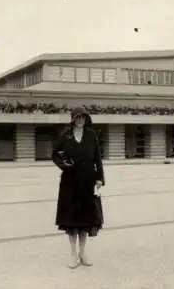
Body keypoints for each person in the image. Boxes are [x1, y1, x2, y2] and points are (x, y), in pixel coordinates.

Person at [52, 107, 105, 269]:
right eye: (77, 117)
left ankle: (83, 253)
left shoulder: (91, 135)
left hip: (87, 181)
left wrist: (99, 178)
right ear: (73, 119)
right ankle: (73, 254)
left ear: (86, 119)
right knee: (71, 220)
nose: (80, 120)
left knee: (85, 219)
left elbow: (98, 158)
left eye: (83, 117)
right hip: (70, 182)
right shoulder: (65, 135)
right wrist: (64, 165)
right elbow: (55, 154)